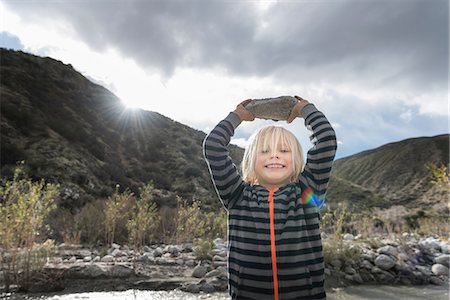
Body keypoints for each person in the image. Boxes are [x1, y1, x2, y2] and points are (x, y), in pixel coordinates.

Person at [203, 96, 337, 300]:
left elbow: (326, 140)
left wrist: (305, 109)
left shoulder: (307, 191)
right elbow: (213, 146)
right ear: (251, 160)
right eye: (264, 151)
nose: (274, 156)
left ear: (296, 159)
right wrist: (238, 116)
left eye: (284, 151)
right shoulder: (237, 195)